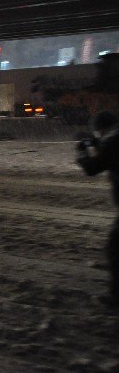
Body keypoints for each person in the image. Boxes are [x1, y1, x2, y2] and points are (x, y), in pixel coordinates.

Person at [76, 111, 119, 308]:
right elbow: (109, 151)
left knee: (115, 247)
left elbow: (92, 168)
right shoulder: (114, 138)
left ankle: (116, 297)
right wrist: (94, 142)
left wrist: (81, 151)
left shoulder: (112, 141)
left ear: (102, 128)